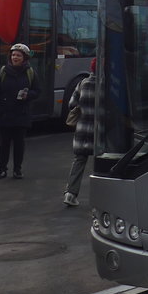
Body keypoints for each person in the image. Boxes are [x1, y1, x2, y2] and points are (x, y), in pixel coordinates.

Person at [0, 43, 41, 179]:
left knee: (19, 144)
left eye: (18, 55)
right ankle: (2, 169)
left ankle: (17, 169)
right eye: (13, 55)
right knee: (3, 144)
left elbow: (38, 91)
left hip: (21, 114)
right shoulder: (2, 72)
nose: (15, 57)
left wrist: (28, 95)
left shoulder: (31, 73)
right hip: (4, 114)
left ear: (25, 58)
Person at [62, 60, 96, 206]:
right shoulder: (107, 85)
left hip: (82, 129)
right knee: (102, 163)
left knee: (79, 160)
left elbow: (72, 104)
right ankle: (102, 197)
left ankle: (70, 194)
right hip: (99, 130)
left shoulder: (82, 83)